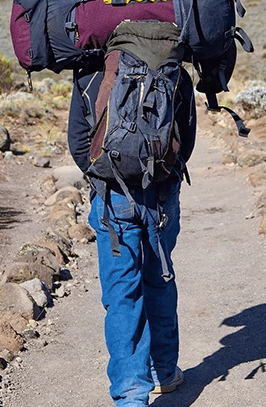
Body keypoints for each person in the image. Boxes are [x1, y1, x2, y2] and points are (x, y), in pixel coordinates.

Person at [68, 38, 197, 407]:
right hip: (160, 197)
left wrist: (104, 175)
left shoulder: (93, 72)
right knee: (160, 279)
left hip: (112, 199)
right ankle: (165, 373)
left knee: (123, 293)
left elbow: (78, 141)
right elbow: (185, 141)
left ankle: (130, 394)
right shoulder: (175, 72)